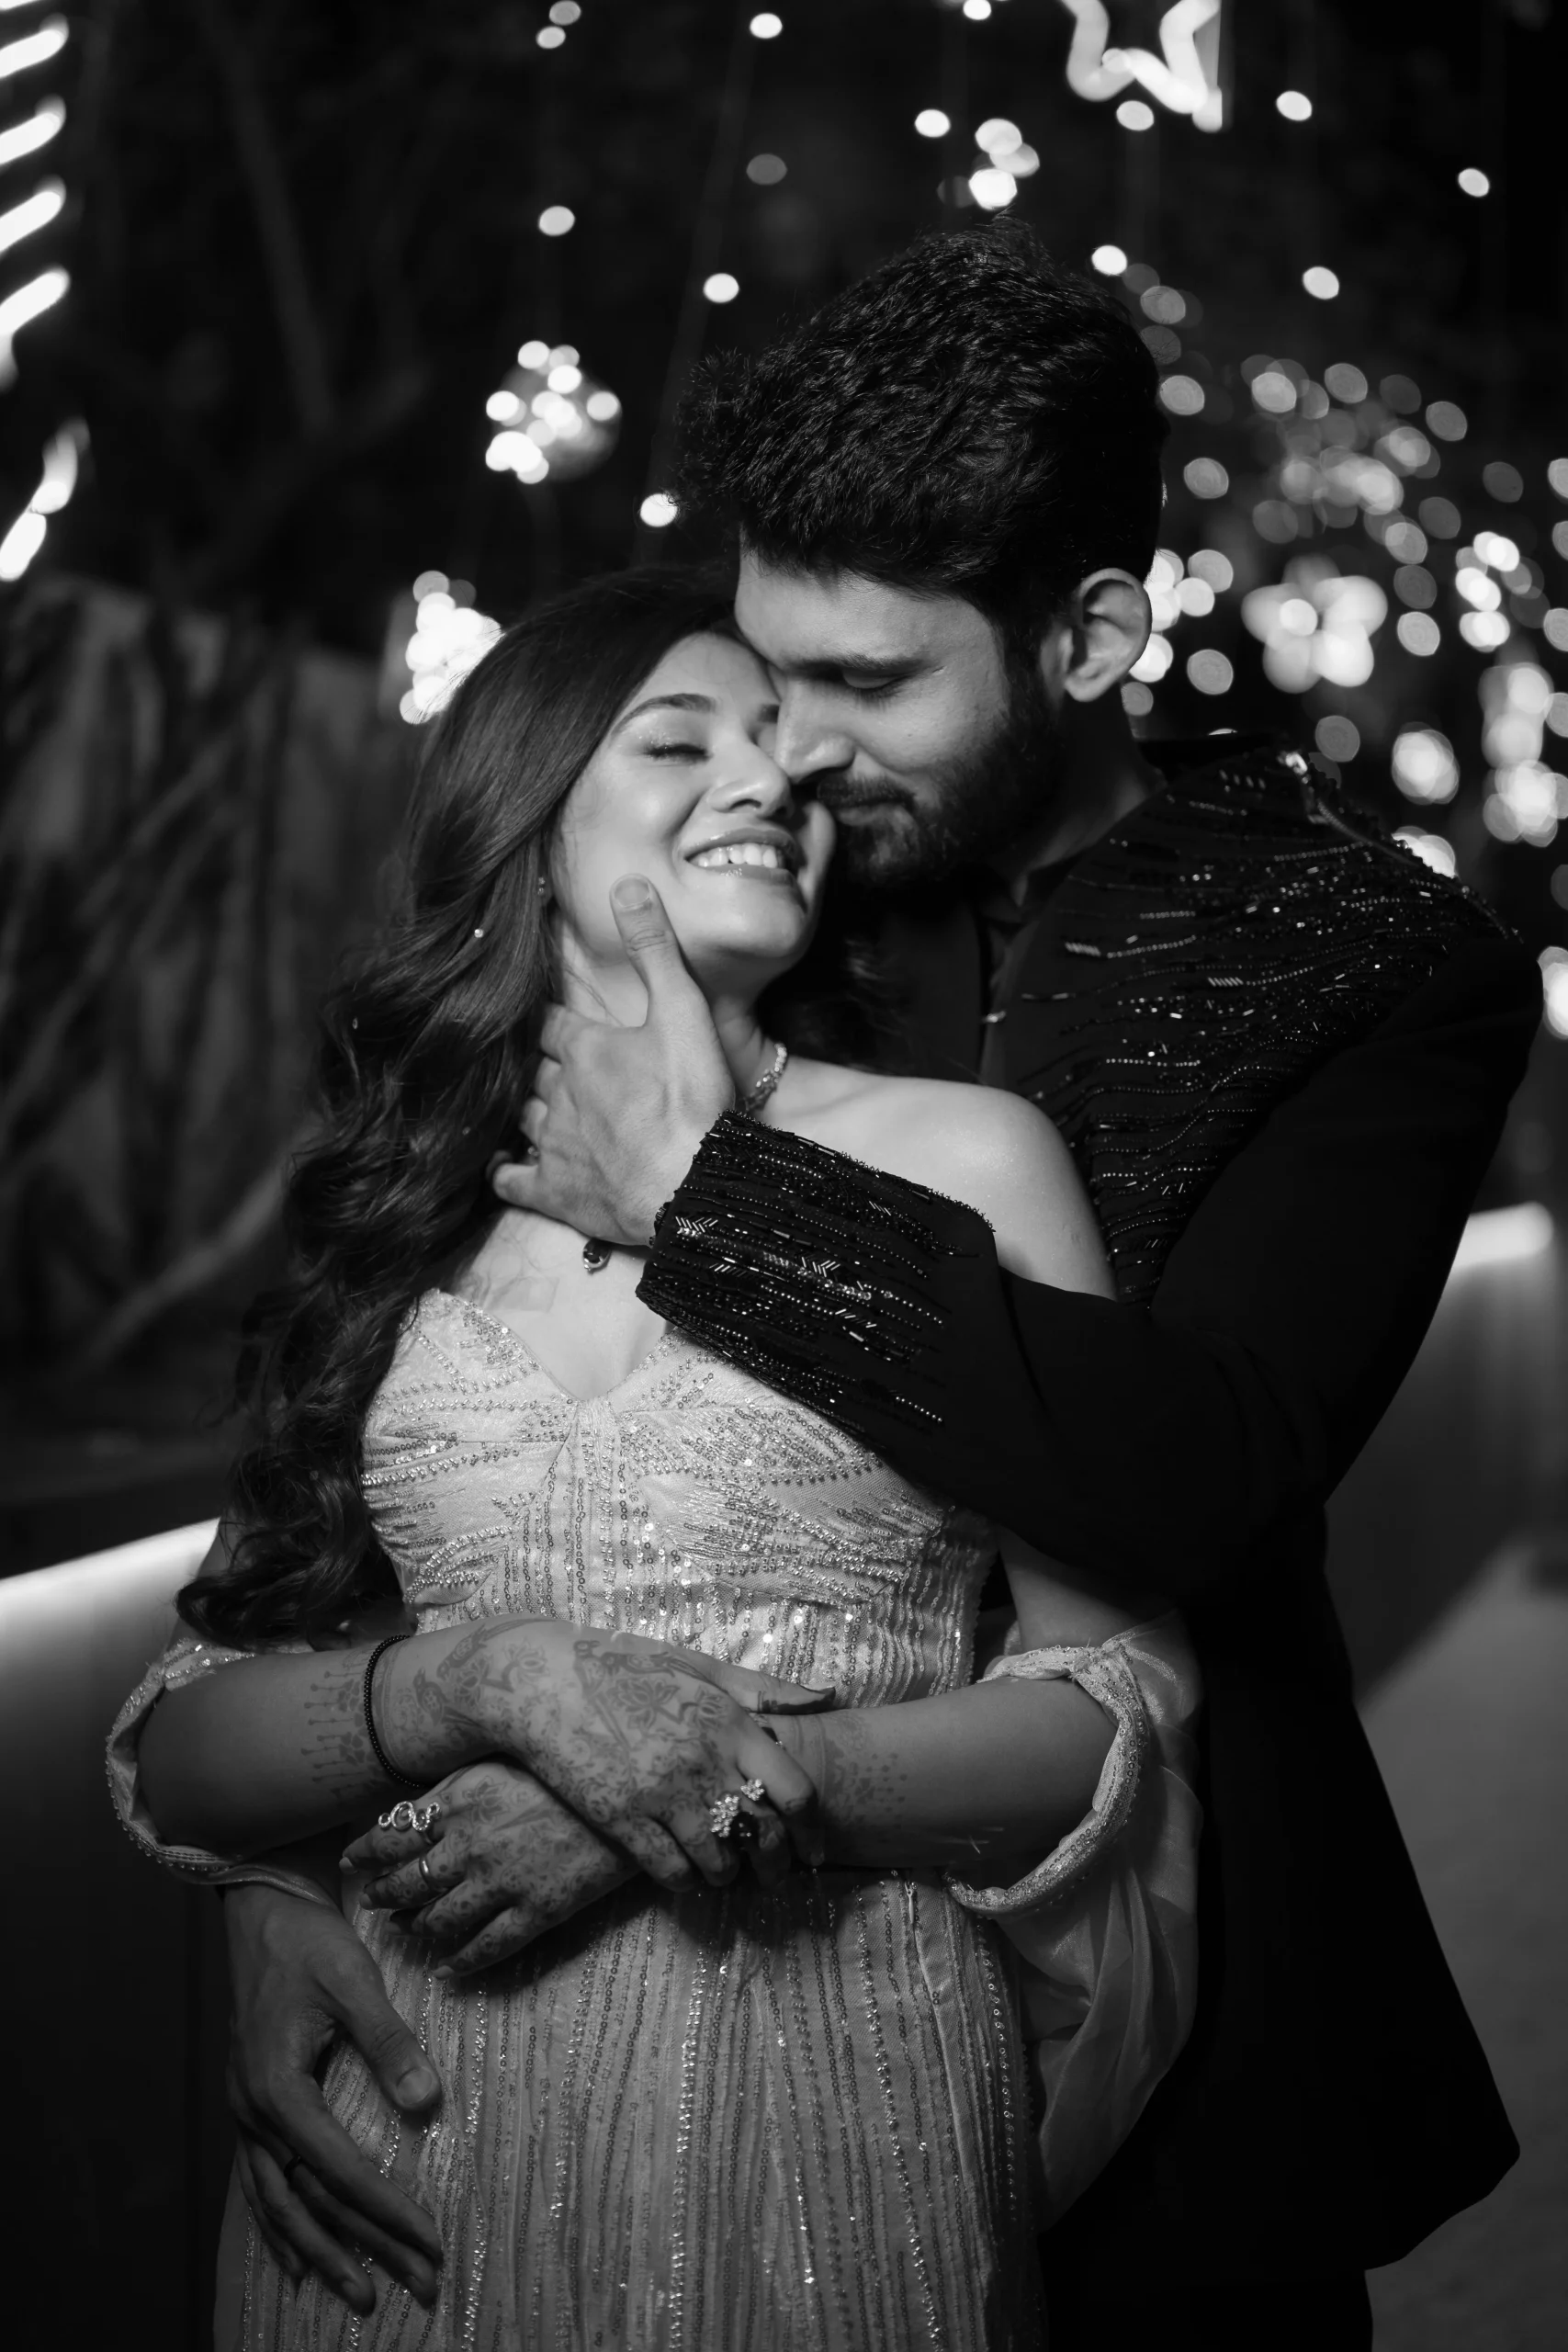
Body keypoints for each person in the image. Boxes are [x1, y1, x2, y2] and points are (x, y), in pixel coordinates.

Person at [482, 225, 1536, 2348]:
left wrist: (718, 1204)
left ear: (1092, 633)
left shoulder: (1370, 961)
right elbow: (419, 1339)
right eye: (772, 670)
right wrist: (280, 1883)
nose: (796, 748)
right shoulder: (744, 874)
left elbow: (1199, 1469)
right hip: (669, 2007)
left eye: (873, 685)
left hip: (1179, 2027)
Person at [109, 569, 1202, 2349]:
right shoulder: (405, 1207)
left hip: (826, 2103)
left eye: (780, 747)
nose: (769, 779)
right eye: (680, 741)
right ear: (528, 819)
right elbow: (191, 1734)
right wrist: (459, 1699)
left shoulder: (967, 1159)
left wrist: (710, 1786)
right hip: (412, 2139)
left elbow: (1108, 1704)